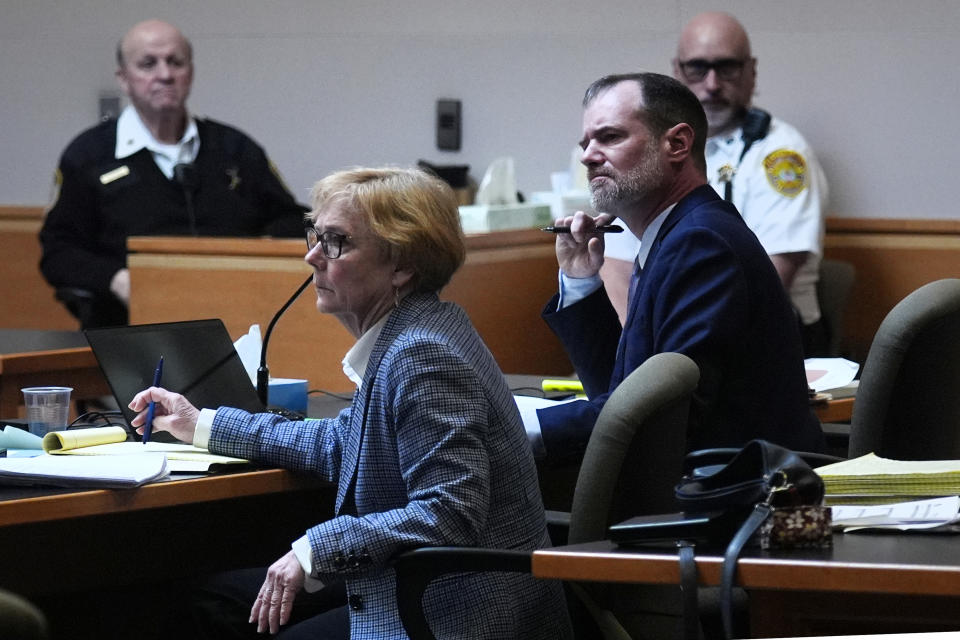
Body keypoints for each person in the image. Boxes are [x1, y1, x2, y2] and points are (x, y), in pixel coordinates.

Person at [128, 167, 572, 639]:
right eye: (314, 235)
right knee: (213, 600)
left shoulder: (421, 354)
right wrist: (203, 425)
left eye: (336, 242)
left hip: (460, 617)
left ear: (402, 266)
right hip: (425, 589)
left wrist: (314, 550)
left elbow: (449, 512)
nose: (312, 256)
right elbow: (347, 441)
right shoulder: (418, 328)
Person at [532, 73, 824, 465]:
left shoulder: (701, 244)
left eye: (610, 137)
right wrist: (582, 280)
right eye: (586, 143)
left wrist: (524, 426)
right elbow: (627, 394)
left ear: (677, 144)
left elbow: (661, 417)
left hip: (737, 499)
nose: (587, 155)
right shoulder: (677, 234)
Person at [39, 19, 307, 328]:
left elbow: (289, 223)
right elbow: (60, 251)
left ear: (190, 73)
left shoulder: (235, 149)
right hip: (128, 326)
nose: (164, 75)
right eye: (148, 64)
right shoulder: (89, 155)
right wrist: (116, 280)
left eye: (175, 62)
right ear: (123, 78)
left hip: (236, 320)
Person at [602, 12, 829, 355]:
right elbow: (616, 263)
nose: (711, 84)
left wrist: (665, 353)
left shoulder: (780, 154)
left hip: (766, 337)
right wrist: (637, 349)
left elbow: (768, 277)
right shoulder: (650, 150)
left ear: (751, 72)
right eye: (697, 68)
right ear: (677, 72)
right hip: (661, 337)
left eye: (726, 68)